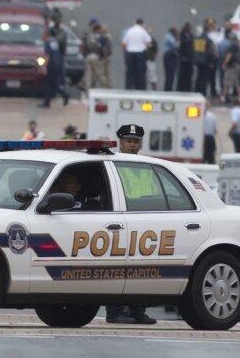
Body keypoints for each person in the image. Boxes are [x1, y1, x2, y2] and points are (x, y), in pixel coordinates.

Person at [107, 123, 158, 324]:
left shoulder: (146, 167)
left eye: (136, 141)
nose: (132, 145)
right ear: (120, 142)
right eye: (128, 141)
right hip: (121, 221)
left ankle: (138, 310)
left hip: (144, 222)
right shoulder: (114, 163)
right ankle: (115, 311)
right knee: (117, 268)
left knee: (143, 269)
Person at [41, 31, 69, 108]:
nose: (41, 37)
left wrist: (43, 67)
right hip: (59, 63)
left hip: (51, 64)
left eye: (42, 35)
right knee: (55, 83)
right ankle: (64, 94)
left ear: (46, 35)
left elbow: (46, 55)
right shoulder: (56, 41)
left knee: (47, 83)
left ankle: (46, 103)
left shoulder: (47, 42)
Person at [121, 18, 152, 90]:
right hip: (140, 54)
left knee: (130, 73)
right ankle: (140, 89)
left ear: (135, 23)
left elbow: (123, 44)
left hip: (130, 53)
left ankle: (129, 88)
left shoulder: (130, 30)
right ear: (142, 23)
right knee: (140, 73)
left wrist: (128, 49)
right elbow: (149, 43)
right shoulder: (143, 31)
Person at [83, 19, 112, 90]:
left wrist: (85, 55)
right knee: (100, 73)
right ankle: (106, 87)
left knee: (89, 73)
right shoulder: (103, 37)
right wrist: (104, 57)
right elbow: (105, 49)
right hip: (98, 57)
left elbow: (84, 46)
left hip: (89, 56)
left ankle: (88, 88)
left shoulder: (88, 36)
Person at [192, 20, 216, 97]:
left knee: (198, 77)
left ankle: (196, 91)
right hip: (205, 62)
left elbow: (195, 50)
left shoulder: (197, 39)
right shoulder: (208, 40)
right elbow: (209, 52)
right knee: (204, 79)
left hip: (198, 61)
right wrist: (212, 61)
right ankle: (202, 93)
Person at [221, 32, 240, 104]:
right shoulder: (239, 45)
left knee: (226, 82)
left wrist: (224, 63)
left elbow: (229, 56)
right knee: (237, 82)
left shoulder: (232, 46)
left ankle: (223, 98)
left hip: (231, 66)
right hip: (238, 65)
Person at [176, 22, 194, 92]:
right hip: (185, 58)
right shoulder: (184, 36)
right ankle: (184, 88)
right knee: (185, 76)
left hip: (185, 59)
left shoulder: (183, 35)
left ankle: (184, 88)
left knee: (184, 76)